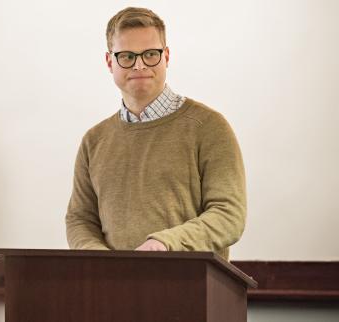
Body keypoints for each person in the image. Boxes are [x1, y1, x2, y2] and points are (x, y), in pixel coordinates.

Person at [65, 7, 246, 260]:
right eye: (126, 56)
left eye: (150, 54)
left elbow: (229, 215)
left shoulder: (209, 127)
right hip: (111, 291)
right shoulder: (94, 141)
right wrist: (103, 262)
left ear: (167, 56)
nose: (139, 65)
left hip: (190, 289)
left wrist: (164, 244)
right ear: (110, 62)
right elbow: (80, 219)